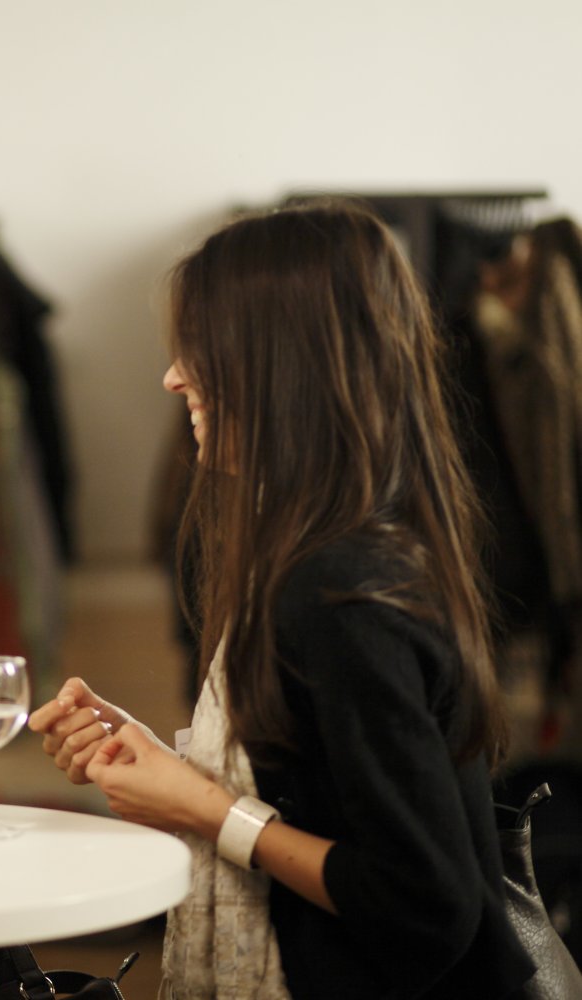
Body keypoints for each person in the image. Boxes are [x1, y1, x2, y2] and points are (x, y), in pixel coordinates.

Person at [28, 201, 535, 998]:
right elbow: (326, 788)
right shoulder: (336, 549)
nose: (173, 375)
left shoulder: (337, 590)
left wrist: (203, 807)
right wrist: (175, 768)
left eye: (200, 346)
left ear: (279, 363)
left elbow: (425, 907)